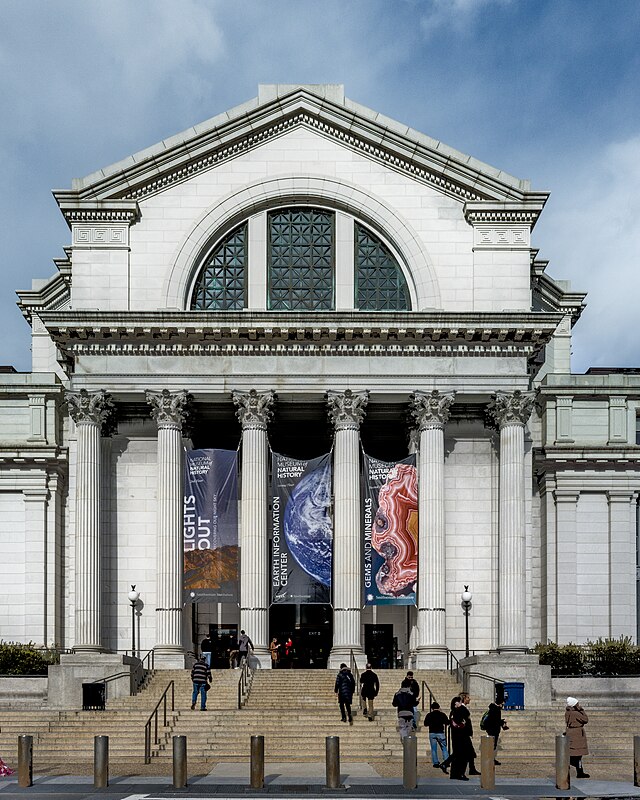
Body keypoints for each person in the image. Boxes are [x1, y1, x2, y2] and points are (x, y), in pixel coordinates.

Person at [565, 697, 590, 778]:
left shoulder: (568, 712)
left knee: (576, 754)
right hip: (577, 734)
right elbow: (585, 719)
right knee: (578, 755)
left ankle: (579, 771)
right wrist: (581, 710)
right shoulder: (575, 713)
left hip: (572, 732)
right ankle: (578, 769)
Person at [423, 701, 450, 772]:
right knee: (444, 748)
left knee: (433, 749)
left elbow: (425, 723)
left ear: (432, 708)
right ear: (439, 707)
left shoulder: (429, 715)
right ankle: (446, 762)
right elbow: (447, 722)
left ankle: (435, 763)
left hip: (432, 733)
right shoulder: (442, 714)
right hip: (440, 732)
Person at [482, 699, 508, 765]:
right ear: (499, 704)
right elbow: (495, 721)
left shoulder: (493, 708)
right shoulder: (496, 710)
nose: (502, 706)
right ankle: (490, 759)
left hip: (491, 729)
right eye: (502, 704)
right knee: (492, 745)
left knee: (493, 745)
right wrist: (502, 722)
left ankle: (491, 759)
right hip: (493, 730)